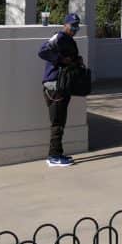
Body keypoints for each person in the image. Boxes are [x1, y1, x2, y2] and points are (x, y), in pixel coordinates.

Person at [38, 13, 82, 167]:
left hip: (63, 86)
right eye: (72, 26)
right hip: (54, 87)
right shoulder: (60, 37)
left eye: (77, 26)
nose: (75, 29)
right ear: (65, 25)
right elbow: (42, 51)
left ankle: (58, 152)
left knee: (60, 121)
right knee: (57, 122)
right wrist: (61, 60)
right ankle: (53, 157)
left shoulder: (69, 40)